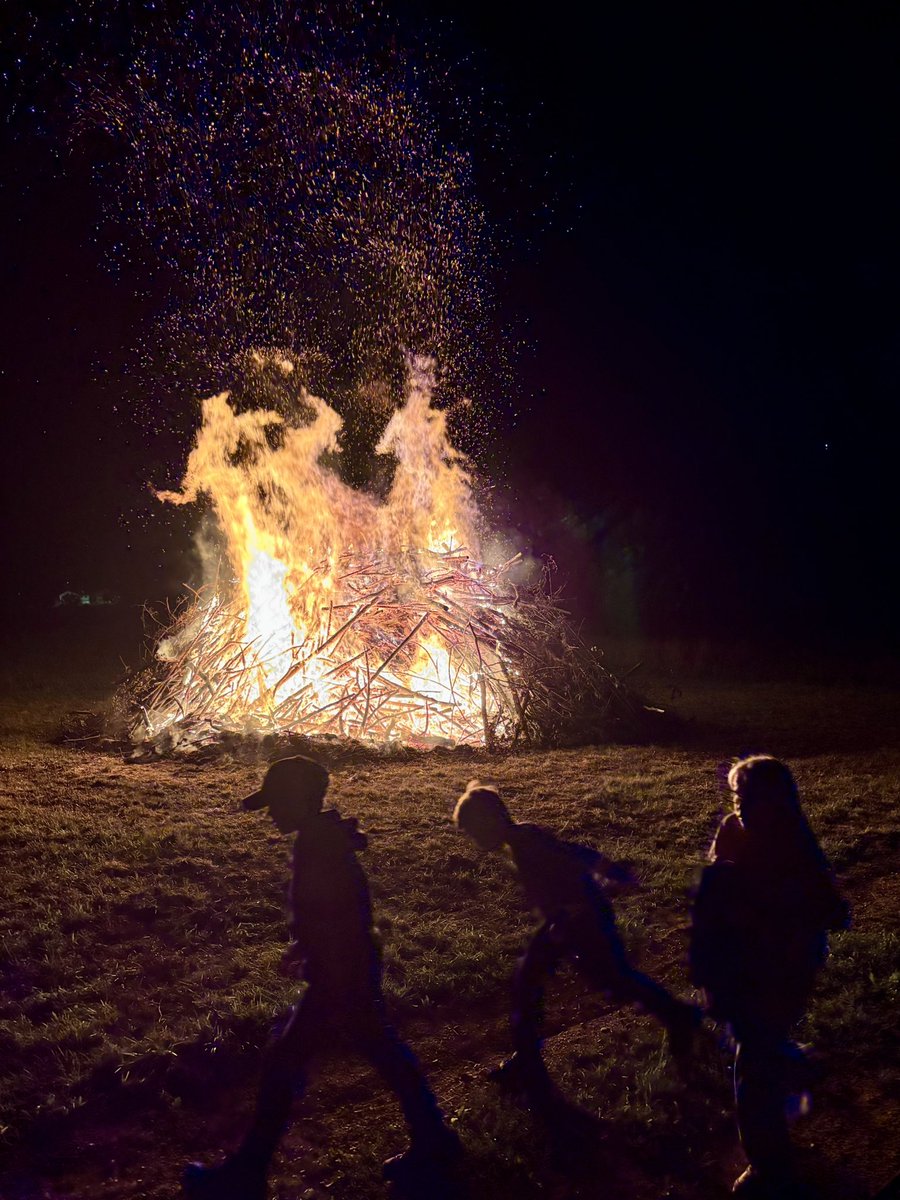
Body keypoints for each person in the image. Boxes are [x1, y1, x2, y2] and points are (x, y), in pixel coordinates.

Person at [183, 755, 460, 1200]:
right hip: (343, 966)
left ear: (299, 800)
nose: (271, 813)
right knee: (379, 1050)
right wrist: (305, 945)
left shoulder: (319, 844)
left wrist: (327, 969)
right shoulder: (320, 837)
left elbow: (342, 912)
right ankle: (435, 1140)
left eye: (276, 803)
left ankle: (246, 1175)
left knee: (288, 1062)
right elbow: (336, 909)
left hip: (340, 972)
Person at [452, 780, 699, 1091]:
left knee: (613, 980)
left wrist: (573, 910)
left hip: (581, 920)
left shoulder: (527, 843)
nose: (473, 840)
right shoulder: (524, 836)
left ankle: (679, 1016)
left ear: (489, 820)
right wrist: (608, 871)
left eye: (473, 831)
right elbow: (574, 852)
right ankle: (527, 1059)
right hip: (569, 919)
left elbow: (570, 867)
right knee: (529, 984)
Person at [690, 755, 850, 1198]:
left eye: (750, 797)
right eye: (736, 795)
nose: (739, 805)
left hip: (782, 968)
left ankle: (770, 1169)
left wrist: (730, 874)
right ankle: (796, 1060)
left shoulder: (791, 849)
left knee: (752, 1070)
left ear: (778, 801)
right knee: (758, 1041)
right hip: (751, 966)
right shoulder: (738, 830)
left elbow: (821, 911)